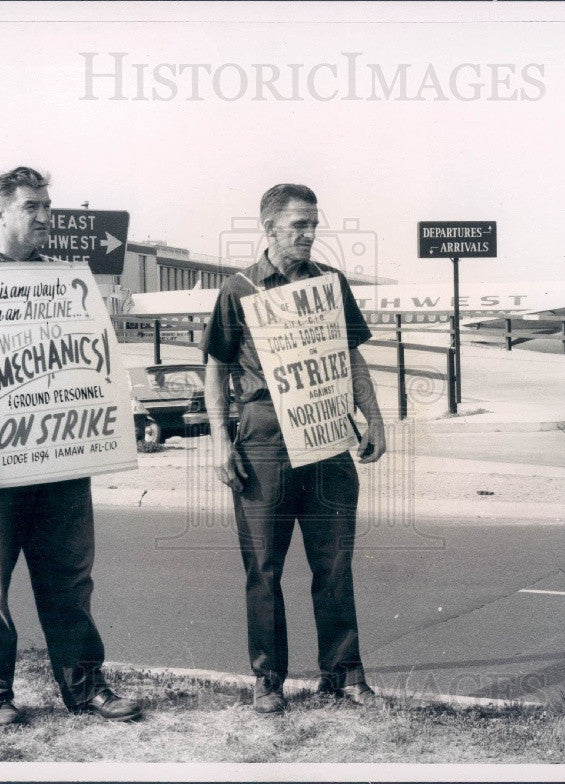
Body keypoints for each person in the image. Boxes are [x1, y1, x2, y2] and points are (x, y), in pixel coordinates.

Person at [0, 166, 141, 725]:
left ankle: (85, 687)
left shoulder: (60, 277)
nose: (45, 217)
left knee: (70, 578)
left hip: (61, 456)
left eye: (47, 206)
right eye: (32, 207)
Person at [202, 184, 387, 714]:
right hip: (263, 438)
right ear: (269, 228)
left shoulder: (330, 284)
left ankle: (345, 676)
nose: (309, 234)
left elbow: (351, 355)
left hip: (328, 436)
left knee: (334, 563)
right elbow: (215, 367)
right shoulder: (237, 290)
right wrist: (221, 442)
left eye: (313, 224)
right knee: (264, 567)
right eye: (298, 225)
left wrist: (373, 418)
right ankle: (268, 680)